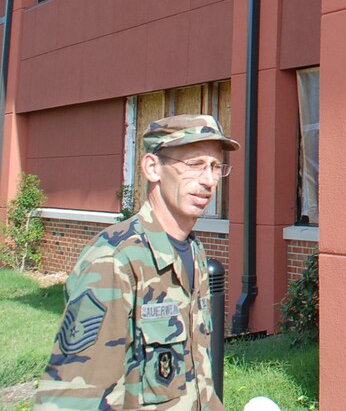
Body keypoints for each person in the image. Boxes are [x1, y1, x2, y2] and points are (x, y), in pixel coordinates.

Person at [33, 114, 239, 410]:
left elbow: (199, 382)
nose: (208, 180)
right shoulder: (114, 261)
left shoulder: (194, 253)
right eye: (194, 165)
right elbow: (74, 398)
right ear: (152, 168)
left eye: (215, 167)